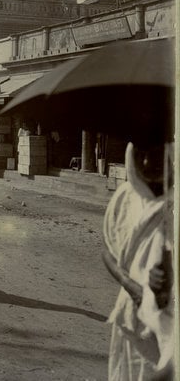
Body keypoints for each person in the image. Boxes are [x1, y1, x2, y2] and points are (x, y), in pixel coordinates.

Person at [102, 142, 174, 380]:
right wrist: (132, 286)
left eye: (155, 154)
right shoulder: (125, 198)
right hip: (130, 324)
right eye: (141, 154)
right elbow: (109, 251)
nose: (146, 163)